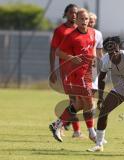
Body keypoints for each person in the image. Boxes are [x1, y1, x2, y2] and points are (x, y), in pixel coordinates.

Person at [49, 8, 97, 143]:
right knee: (89, 102)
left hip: (87, 73)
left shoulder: (92, 32)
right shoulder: (71, 36)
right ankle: (92, 133)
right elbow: (58, 52)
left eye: (86, 19)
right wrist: (71, 57)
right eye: (81, 19)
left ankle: (57, 124)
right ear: (76, 20)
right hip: (76, 75)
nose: (84, 21)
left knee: (80, 104)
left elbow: (92, 48)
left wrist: (93, 60)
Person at [49, 4, 83, 138]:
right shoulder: (60, 30)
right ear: (66, 14)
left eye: (76, 13)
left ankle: (68, 127)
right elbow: (53, 50)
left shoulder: (80, 29)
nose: (73, 15)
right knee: (74, 99)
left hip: (80, 70)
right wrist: (52, 70)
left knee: (77, 100)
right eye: (71, 13)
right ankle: (70, 128)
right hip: (66, 69)